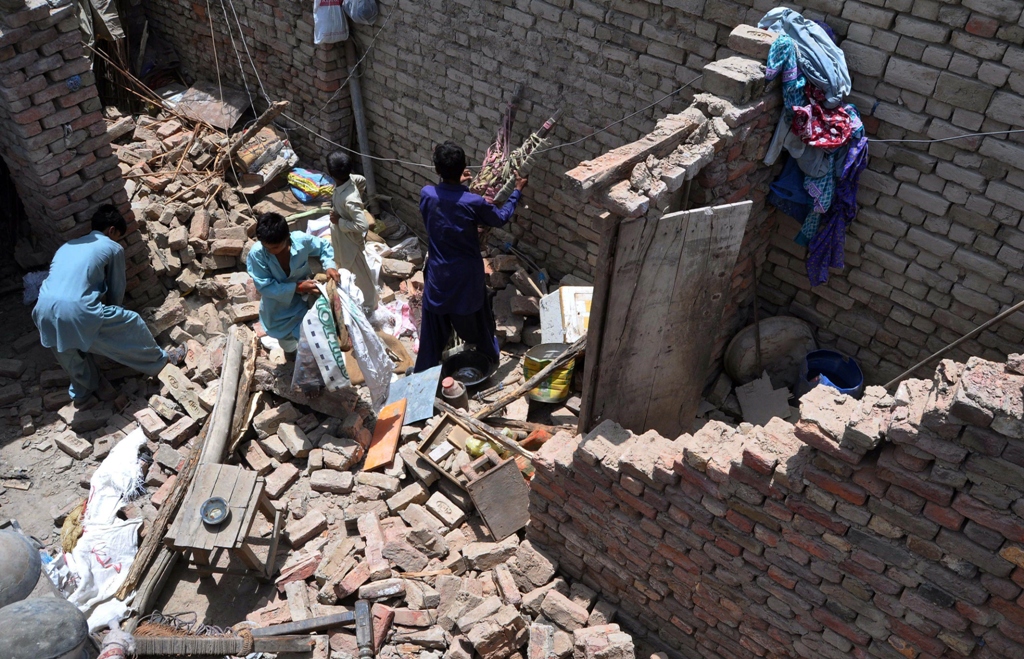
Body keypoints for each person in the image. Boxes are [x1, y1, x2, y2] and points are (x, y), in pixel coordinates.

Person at [33, 205, 185, 403]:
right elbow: (116, 286)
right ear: (111, 230)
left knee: (68, 352)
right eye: (118, 236)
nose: (117, 241)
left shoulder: (67, 246)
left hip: (42, 309)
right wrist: (115, 315)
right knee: (132, 322)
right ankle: (161, 360)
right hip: (76, 309)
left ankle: (83, 393)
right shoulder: (112, 246)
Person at [414, 141, 527, 372]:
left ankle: (423, 378)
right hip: (467, 278)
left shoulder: (427, 194)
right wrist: (516, 191)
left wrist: (456, 184)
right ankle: (488, 360)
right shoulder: (473, 202)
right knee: (480, 321)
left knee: (432, 335)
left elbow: (443, 198)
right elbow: (500, 217)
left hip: (438, 277)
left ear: (437, 170)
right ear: (464, 167)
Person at [246, 212, 340, 352]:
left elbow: (324, 247)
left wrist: (329, 266)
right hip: (277, 308)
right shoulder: (257, 254)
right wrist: (298, 287)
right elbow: (265, 286)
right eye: (267, 247)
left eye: (276, 247)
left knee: (313, 337)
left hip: (303, 304)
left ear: (287, 238)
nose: (271, 252)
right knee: (288, 345)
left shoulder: (301, 241)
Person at [326, 151, 379, 312]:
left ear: (331, 173)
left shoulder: (349, 199)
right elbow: (361, 181)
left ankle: (370, 304)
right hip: (341, 236)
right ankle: (348, 292)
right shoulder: (350, 182)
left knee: (359, 272)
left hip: (350, 240)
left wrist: (341, 220)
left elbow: (362, 225)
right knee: (342, 264)